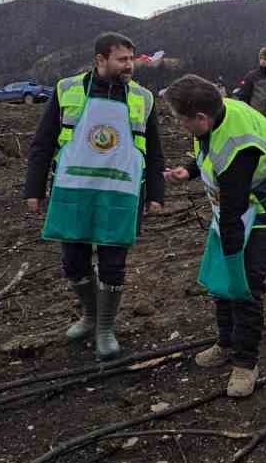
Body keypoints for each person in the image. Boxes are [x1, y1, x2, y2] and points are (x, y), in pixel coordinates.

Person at [24, 32, 165, 359]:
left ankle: (105, 327)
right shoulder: (67, 90)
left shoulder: (142, 97)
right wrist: (33, 189)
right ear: (100, 60)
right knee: (73, 262)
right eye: (122, 59)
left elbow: (155, 151)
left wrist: (156, 193)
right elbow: (42, 143)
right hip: (74, 191)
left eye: (131, 59)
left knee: (114, 264)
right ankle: (89, 314)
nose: (130, 65)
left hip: (121, 194)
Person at [163, 75, 266, 398]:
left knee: (245, 282)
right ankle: (225, 342)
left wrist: (232, 257)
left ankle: (245, 363)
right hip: (234, 208)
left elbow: (234, 214)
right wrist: (190, 169)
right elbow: (209, 149)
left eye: (181, 121)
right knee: (221, 278)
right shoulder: (213, 114)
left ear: (200, 118)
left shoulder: (240, 146)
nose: (180, 127)